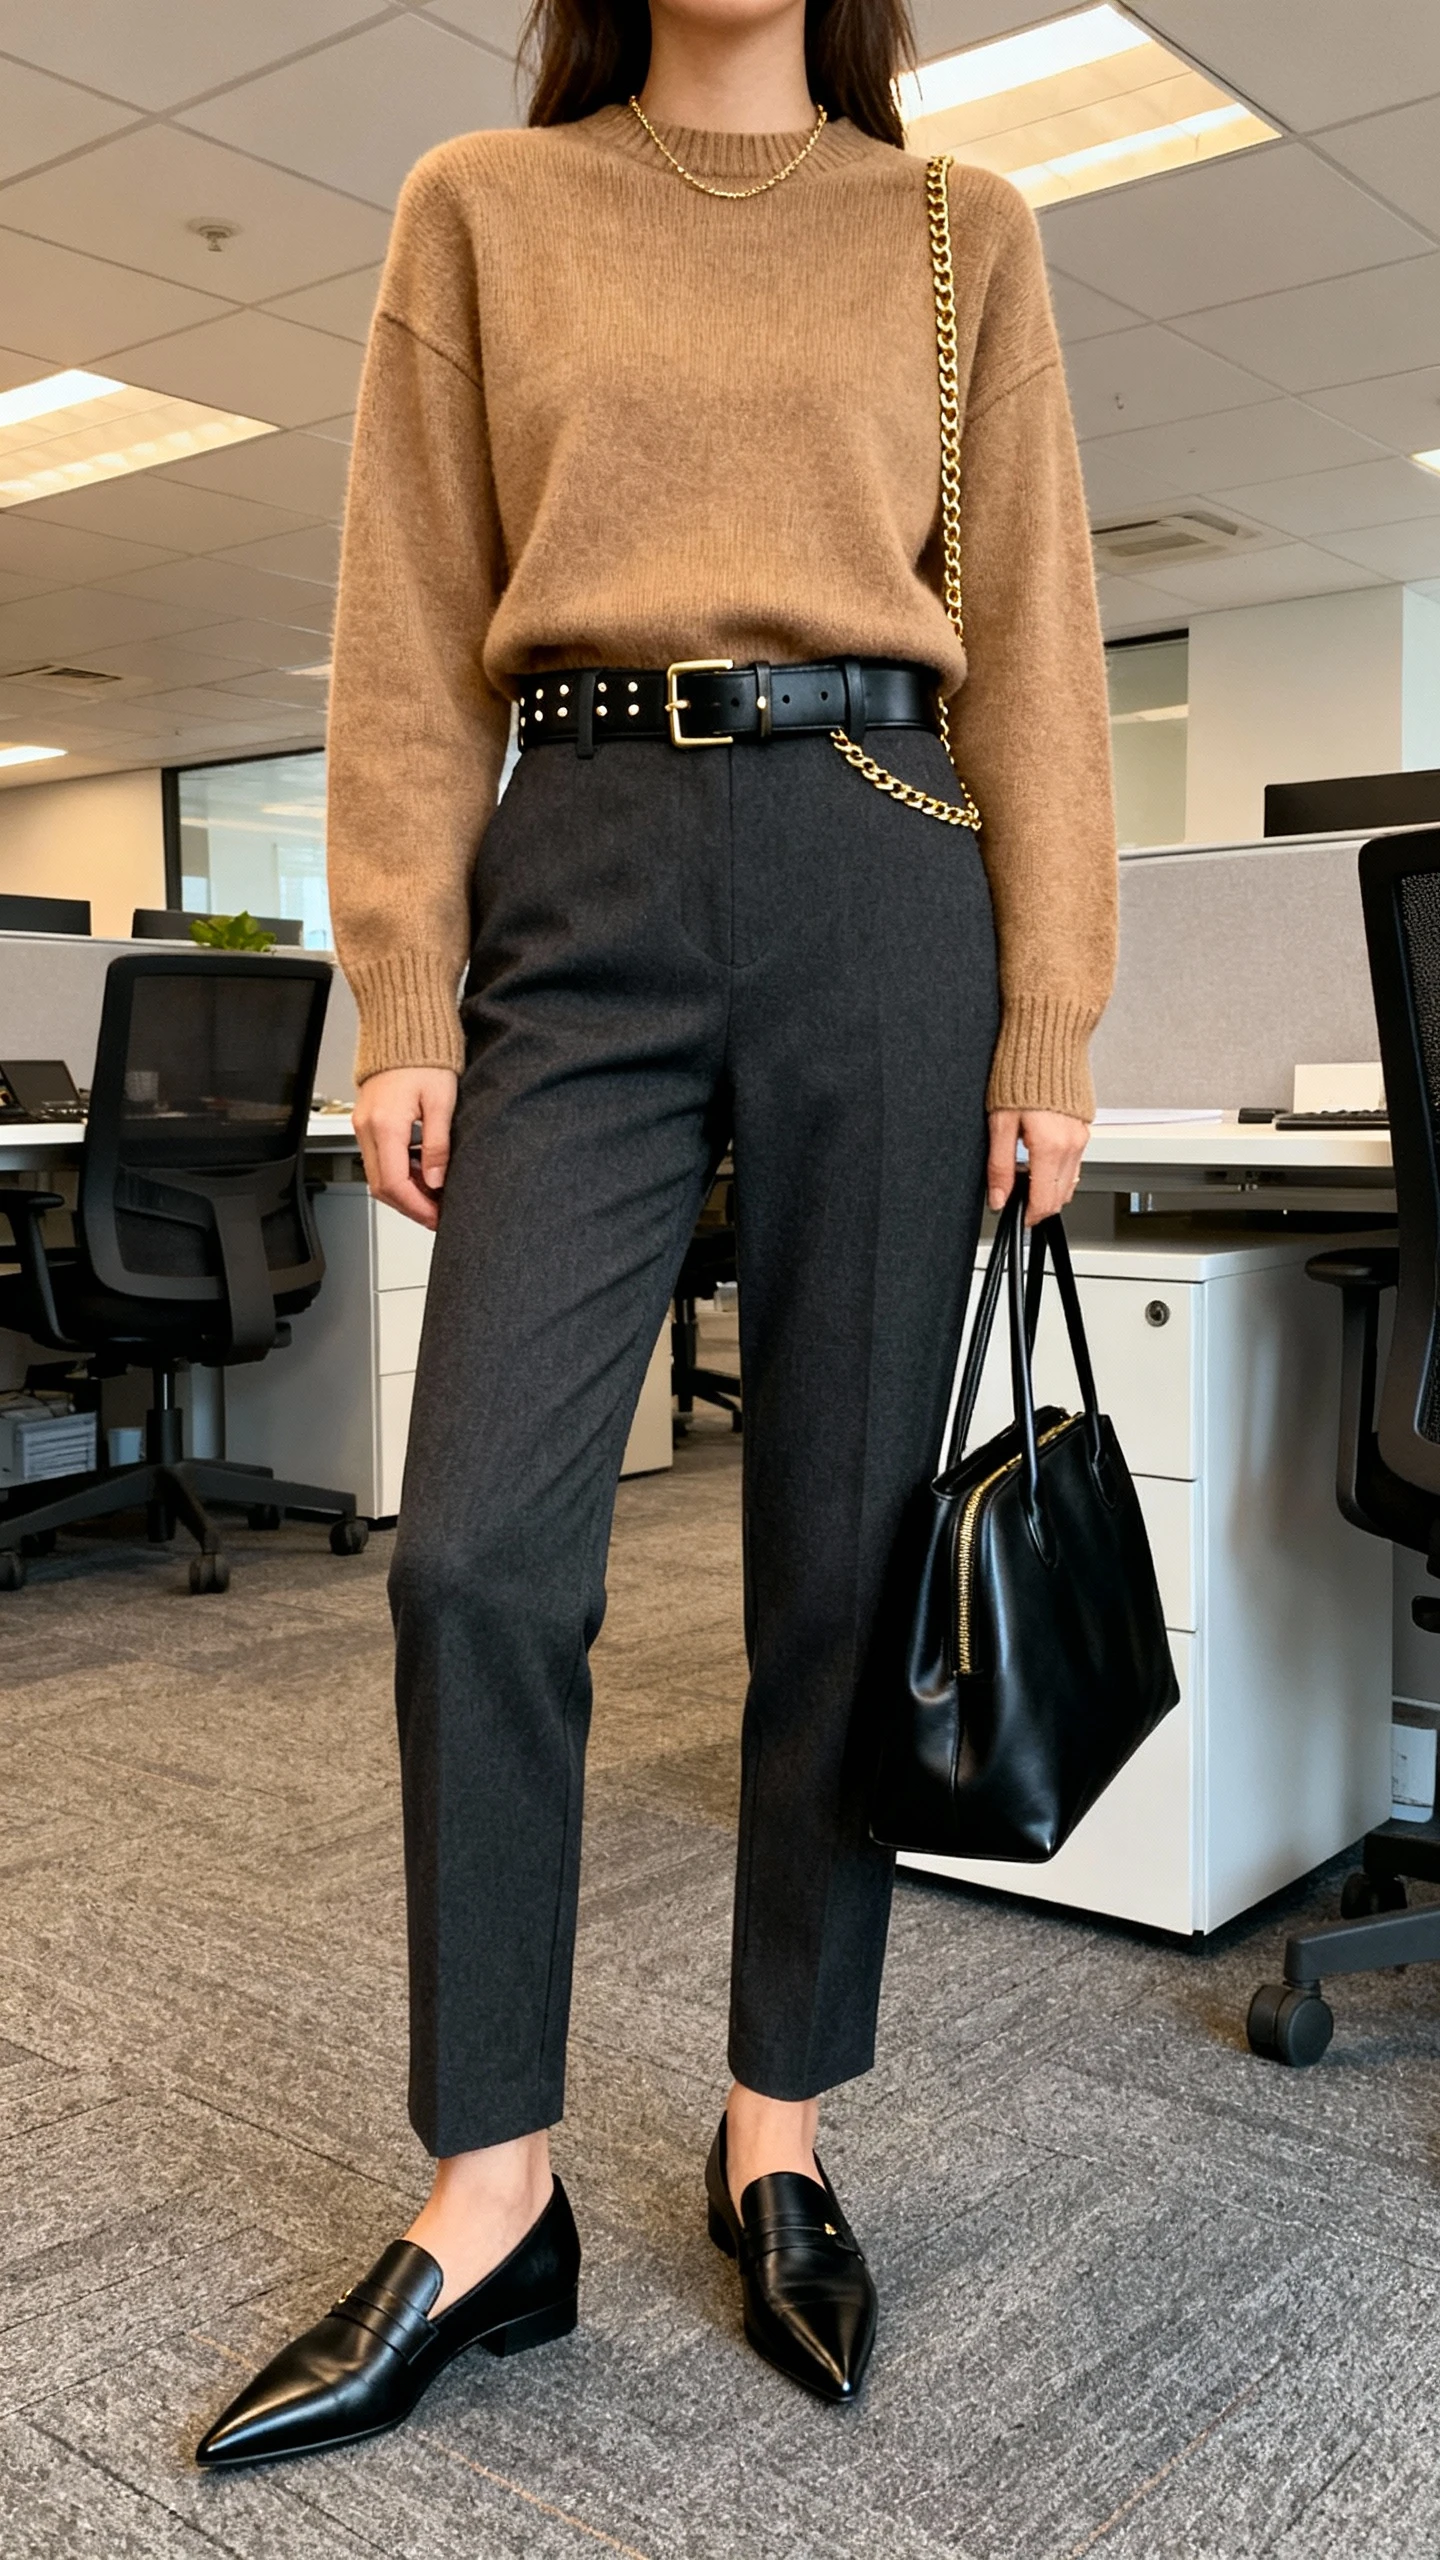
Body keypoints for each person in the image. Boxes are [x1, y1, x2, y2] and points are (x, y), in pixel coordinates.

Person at [196, 0, 1115, 2466]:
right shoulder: (482, 213)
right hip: (572, 869)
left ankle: (775, 2122)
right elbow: (404, 613)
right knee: (477, 1550)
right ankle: (493, 2187)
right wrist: (398, 970)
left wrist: (1050, 1014)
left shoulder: (959, 231)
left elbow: (1027, 634)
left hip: (883, 858)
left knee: (840, 1545)